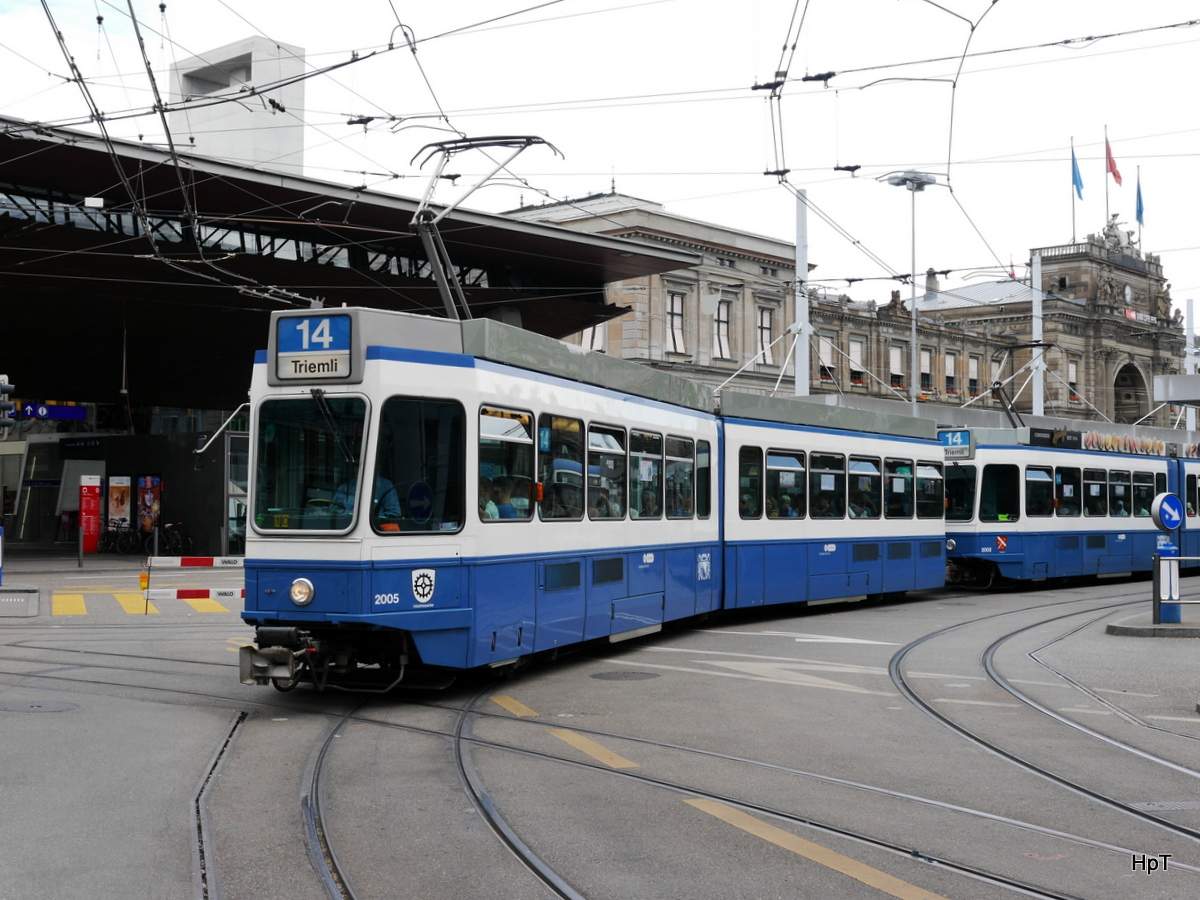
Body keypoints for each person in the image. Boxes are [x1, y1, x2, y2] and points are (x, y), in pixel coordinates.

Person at [331, 473, 401, 517]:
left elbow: (394, 513)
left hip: (374, 530)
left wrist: (374, 518)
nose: (358, 468)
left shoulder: (386, 486)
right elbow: (334, 510)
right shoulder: (346, 487)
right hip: (345, 529)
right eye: (356, 465)